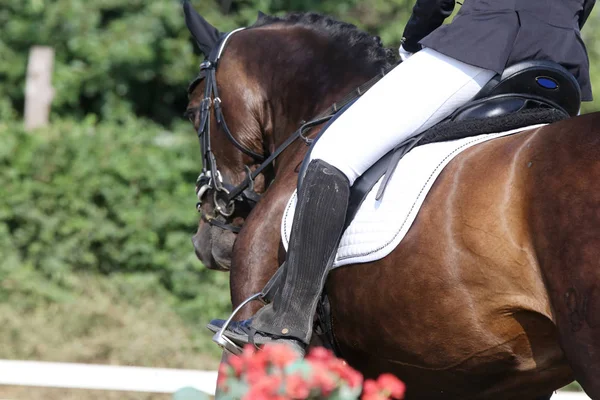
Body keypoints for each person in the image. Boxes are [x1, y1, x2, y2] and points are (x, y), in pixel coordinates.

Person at [209, 0, 595, 354]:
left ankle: (287, 323)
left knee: (331, 156)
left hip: (484, 43)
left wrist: (414, 39)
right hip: (562, 66)